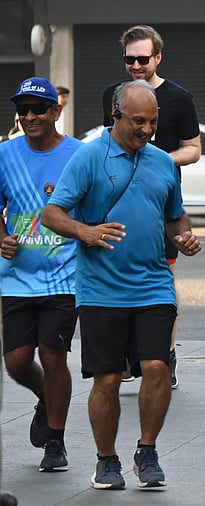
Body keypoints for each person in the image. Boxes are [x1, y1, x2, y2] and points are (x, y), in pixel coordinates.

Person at [42, 80, 201, 489]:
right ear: (116, 116)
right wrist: (86, 232)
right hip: (101, 289)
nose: (146, 129)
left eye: (152, 121)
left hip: (153, 285)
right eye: (138, 121)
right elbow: (52, 214)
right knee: (108, 379)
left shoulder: (163, 162)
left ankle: (147, 452)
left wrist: (184, 236)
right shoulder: (89, 157)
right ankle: (106, 459)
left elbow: (175, 216)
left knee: (156, 367)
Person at [101, 24, 201, 389]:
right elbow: (107, 145)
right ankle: (129, 352)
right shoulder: (114, 95)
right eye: (130, 59)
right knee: (118, 268)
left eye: (143, 59)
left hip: (161, 202)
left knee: (162, 275)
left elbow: (194, 148)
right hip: (117, 201)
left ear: (158, 57)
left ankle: (165, 353)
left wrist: (160, 160)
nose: (136, 65)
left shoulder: (178, 97)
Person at [0, 77, 81, 472]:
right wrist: (2, 238)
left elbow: (95, 206)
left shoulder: (78, 155)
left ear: (55, 111)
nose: (29, 116)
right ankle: (46, 398)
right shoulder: (5, 154)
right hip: (16, 276)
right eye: (23, 109)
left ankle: (56, 441)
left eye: (38, 109)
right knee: (16, 361)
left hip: (64, 277)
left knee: (52, 355)